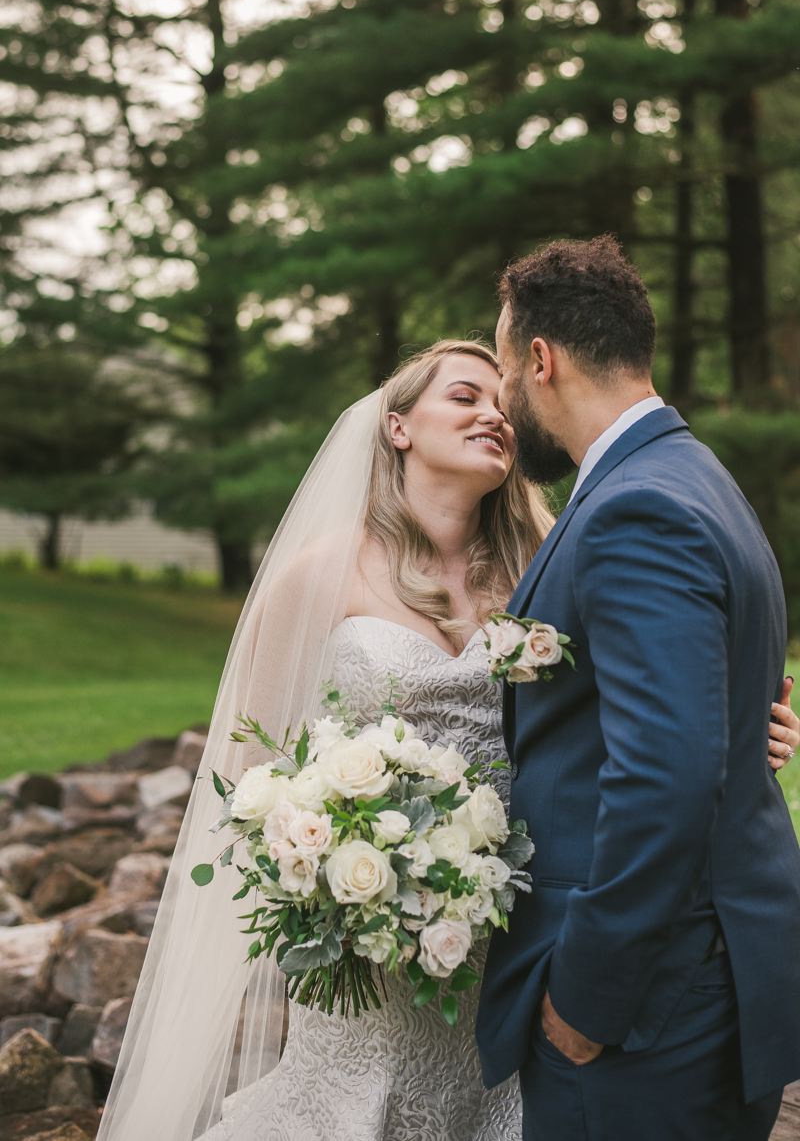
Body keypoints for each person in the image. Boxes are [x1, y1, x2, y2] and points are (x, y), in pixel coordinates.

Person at [97, 338, 798, 1141]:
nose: (493, 413)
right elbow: (246, 784)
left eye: (501, 401)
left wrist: (745, 733)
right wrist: (327, 867)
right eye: (464, 396)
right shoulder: (317, 576)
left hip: (519, 934)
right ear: (397, 426)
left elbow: (648, 713)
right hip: (370, 951)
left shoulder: (547, 562)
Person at [477, 235, 800, 1141]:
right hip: (712, 973)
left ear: (540, 360)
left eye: (503, 370)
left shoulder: (632, 507)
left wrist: (585, 999)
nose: (504, 400)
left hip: (647, 1009)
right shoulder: (695, 474)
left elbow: (665, 775)